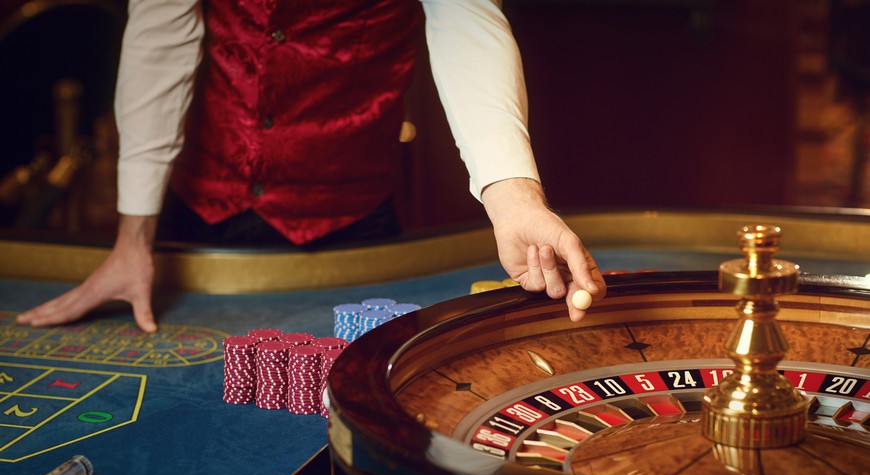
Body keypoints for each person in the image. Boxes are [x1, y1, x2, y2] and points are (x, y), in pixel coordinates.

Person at [17, 0, 605, 334]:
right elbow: (160, 34)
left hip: (352, 216)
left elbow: (465, 21)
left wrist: (515, 199)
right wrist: (132, 236)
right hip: (198, 202)